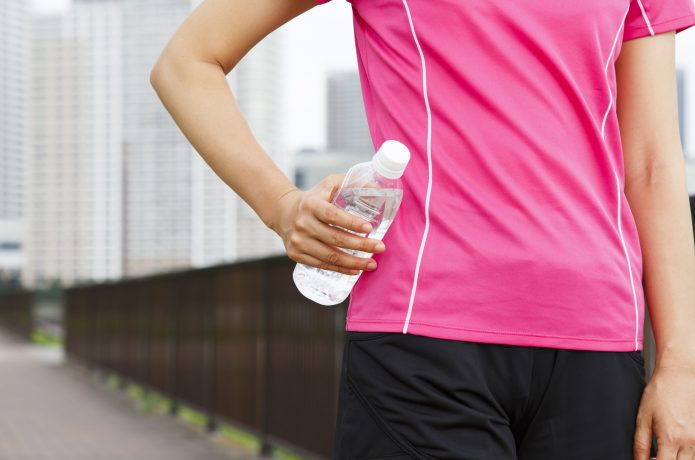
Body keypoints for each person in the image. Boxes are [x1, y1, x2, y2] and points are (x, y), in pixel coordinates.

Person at [150, 0, 695, 458]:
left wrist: (682, 365)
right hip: (424, 341)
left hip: (598, 343)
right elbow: (187, 62)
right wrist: (281, 206)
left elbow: (651, 164)